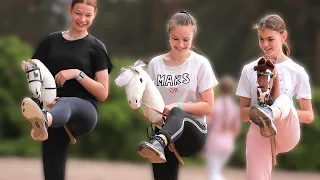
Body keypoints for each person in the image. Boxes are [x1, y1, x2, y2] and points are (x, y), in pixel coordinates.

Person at [20, 0, 113, 180]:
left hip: (84, 111)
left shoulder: (96, 47)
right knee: (52, 171)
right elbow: (34, 72)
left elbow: (103, 93)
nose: (82, 19)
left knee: (64, 103)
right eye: (78, 13)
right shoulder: (50, 42)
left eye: (88, 15)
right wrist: (41, 96)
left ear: (95, 15)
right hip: (52, 109)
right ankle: (44, 120)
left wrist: (77, 74)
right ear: (70, 10)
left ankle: (43, 119)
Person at [137, 10, 218, 180]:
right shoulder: (155, 64)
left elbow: (209, 107)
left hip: (192, 133)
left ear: (193, 37)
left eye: (186, 40)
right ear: (169, 36)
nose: (180, 44)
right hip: (163, 131)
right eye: (176, 39)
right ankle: (160, 141)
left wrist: (178, 106)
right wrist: (153, 116)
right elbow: (149, 100)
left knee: (177, 112)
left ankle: (159, 141)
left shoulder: (201, 64)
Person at [236, 14, 314, 180]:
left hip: (286, 130)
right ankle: (266, 115)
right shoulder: (249, 69)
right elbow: (243, 115)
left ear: (283, 36)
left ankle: (271, 113)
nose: (265, 44)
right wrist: (258, 110)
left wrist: (282, 111)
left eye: (270, 39)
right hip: (260, 129)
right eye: (261, 39)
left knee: (284, 101)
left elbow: (309, 116)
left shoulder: (297, 71)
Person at [205, 76, 241, 180]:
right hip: (228, 141)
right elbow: (236, 129)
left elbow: (207, 122)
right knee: (217, 171)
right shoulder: (235, 107)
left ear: (220, 89)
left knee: (213, 173)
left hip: (214, 140)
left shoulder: (215, 105)